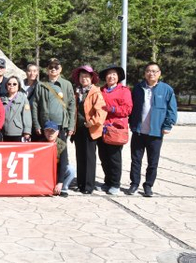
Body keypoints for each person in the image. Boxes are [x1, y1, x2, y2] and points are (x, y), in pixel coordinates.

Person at [128, 62, 178, 197]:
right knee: (136, 160)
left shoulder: (166, 89)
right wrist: (131, 123)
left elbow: (172, 109)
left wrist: (167, 125)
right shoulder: (138, 88)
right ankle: (134, 184)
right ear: (145, 73)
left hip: (156, 132)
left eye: (154, 71)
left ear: (159, 73)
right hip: (138, 131)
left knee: (153, 162)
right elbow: (131, 107)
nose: (151, 74)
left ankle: (148, 185)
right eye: (148, 71)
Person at [71, 65, 106, 194]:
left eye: (86, 76)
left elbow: (102, 110)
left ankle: (88, 185)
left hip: (90, 128)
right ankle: (80, 183)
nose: (84, 79)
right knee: (80, 156)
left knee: (89, 157)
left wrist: (92, 122)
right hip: (78, 128)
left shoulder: (95, 92)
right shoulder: (76, 91)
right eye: (82, 76)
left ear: (91, 78)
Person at [97, 65, 133, 196]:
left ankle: (115, 184)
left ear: (118, 77)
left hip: (115, 129)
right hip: (101, 128)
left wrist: (112, 109)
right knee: (103, 157)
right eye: (109, 74)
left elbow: (128, 109)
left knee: (114, 158)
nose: (111, 76)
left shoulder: (124, 91)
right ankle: (107, 182)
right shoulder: (100, 90)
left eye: (114, 74)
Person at [44, 121, 75, 198]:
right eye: (47, 131)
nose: (50, 133)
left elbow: (63, 164)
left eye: (52, 131)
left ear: (57, 133)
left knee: (71, 169)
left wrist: (60, 182)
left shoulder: (62, 145)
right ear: (44, 132)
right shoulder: (40, 144)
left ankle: (63, 189)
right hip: (45, 173)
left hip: (57, 172)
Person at [1, 76, 32, 142]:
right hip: (3, 131)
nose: (11, 85)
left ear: (18, 86)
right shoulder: (2, 99)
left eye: (14, 84)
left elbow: (27, 116)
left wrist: (27, 131)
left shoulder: (23, 99)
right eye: (9, 84)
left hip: (18, 132)